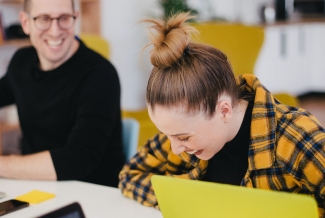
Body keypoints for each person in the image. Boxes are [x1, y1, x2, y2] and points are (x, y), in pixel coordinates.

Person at [118, 12, 325, 216]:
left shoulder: (296, 136)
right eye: (167, 135)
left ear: (224, 110)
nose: (175, 148)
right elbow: (129, 175)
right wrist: (189, 198)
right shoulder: (181, 131)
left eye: (184, 137)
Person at [0, 0, 125, 187]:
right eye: (44, 19)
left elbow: (76, 160)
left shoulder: (100, 75)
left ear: (75, 19)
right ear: (26, 23)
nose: (55, 31)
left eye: (64, 18)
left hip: (92, 195)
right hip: (33, 186)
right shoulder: (21, 62)